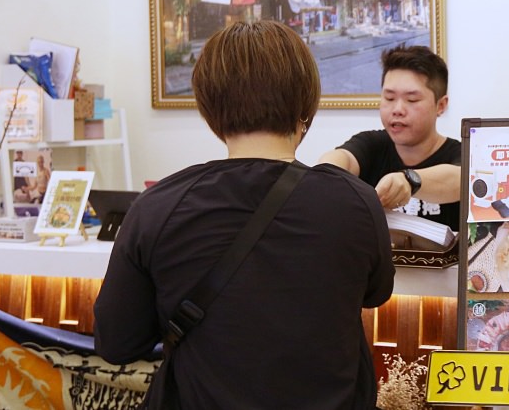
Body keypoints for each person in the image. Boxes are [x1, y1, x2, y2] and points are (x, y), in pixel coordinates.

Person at [93, 20, 394, 409]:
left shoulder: (157, 206)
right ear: (306, 105)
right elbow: (376, 292)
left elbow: (117, 343)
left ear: (209, 109)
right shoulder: (355, 202)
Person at [319, 44, 461, 232]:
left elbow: (460, 179)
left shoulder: (460, 154)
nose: (397, 110)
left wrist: (409, 180)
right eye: (389, 98)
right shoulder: (372, 145)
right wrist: (323, 173)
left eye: (412, 100)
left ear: (440, 105)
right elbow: (343, 158)